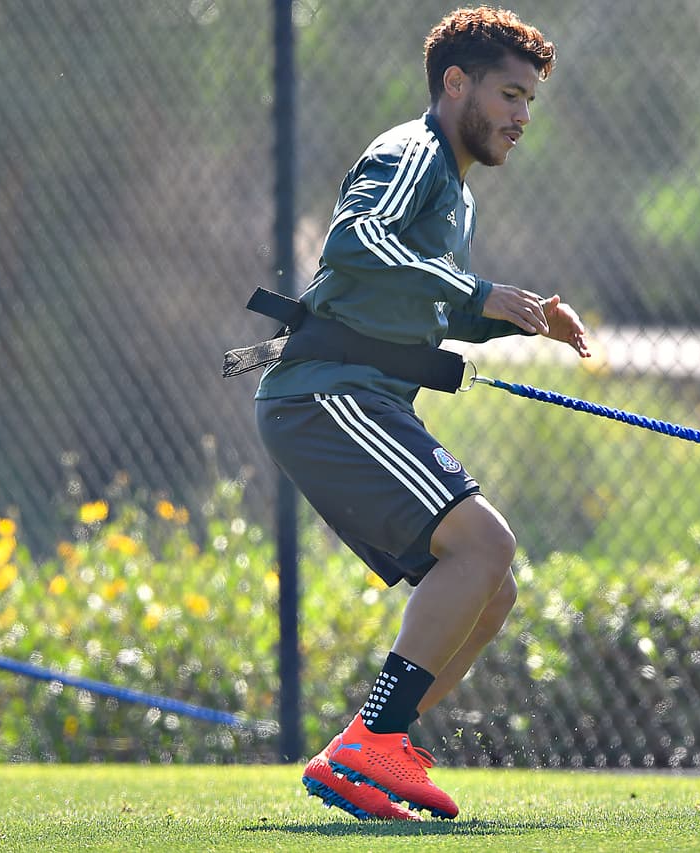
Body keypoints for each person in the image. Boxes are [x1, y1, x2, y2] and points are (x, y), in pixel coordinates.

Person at [255, 7, 588, 821]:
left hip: (351, 396)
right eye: (511, 95)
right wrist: (477, 291)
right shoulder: (415, 152)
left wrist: (507, 315)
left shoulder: (456, 196)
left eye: (531, 103)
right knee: (485, 543)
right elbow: (354, 237)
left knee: (494, 585)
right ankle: (371, 742)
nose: (521, 117)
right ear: (455, 83)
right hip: (324, 392)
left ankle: (370, 749)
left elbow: (415, 295)